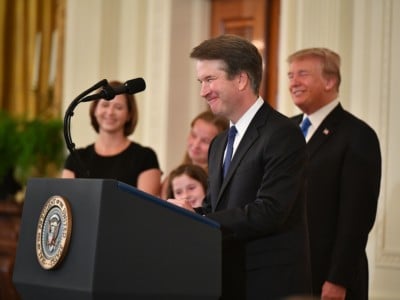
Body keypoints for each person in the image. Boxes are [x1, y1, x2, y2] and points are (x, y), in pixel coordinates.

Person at [168, 34, 312, 299]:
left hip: (269, 285)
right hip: (226, 281)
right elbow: (216, 208)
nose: (203, 91)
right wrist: (184, 214)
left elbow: (270, 211)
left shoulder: (282, 133)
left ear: (241, 79)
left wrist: (198, 219)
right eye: (201, 82)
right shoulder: (219, 142)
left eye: (210, 80)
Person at [287, 48, 381, 299]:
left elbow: (357, 217)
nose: (293, 82)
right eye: (290, 75)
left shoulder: (358, 136)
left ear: (330, 81)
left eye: (302, 74)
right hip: (288, 271)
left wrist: (338, 279)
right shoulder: (286, 130)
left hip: (329, 276)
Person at [62, 80, 161, 197]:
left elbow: (144, 209)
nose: (110, 112)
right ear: (95, 110)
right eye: (105, 105)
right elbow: (67, 204)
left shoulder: (145, 157)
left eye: (118, 107)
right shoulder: (76, 158)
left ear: (129, 114)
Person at [160, 110, 228, 198]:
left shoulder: (219, 181)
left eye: (205, 141)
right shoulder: (172, 179)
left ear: (221, 145)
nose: (196, 145)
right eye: (193, 135)